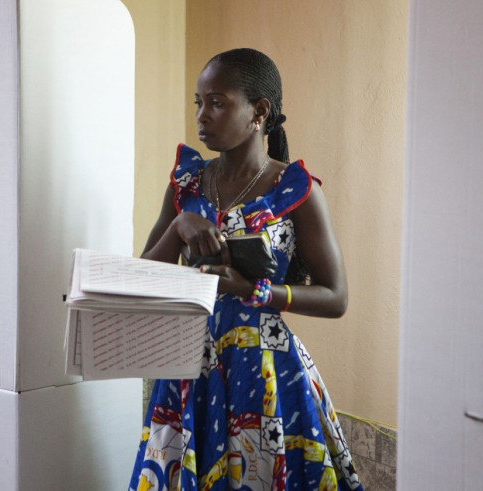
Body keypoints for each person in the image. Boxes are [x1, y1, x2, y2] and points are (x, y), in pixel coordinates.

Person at [129, 48, 364, 491]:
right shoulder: (186, 186)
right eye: (198, 103)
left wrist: (253, 291)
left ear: (259, 112)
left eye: (217, 103)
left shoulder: (295, 191)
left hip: (267, 376)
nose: (202, 116)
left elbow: (336, 297)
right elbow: (143, 280)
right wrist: (179, 227)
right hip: (186, 372)